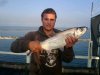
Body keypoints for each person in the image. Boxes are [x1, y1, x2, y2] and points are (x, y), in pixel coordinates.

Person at [11, 8, 77, 75]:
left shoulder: (62, 35)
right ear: (41, 20)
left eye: (52, 20)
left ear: (55, 21)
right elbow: (13, 46)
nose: (49, 22)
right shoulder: (32, 35)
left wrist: (68, 48)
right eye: (46, 19)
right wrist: (28, 44)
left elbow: (68, 60)